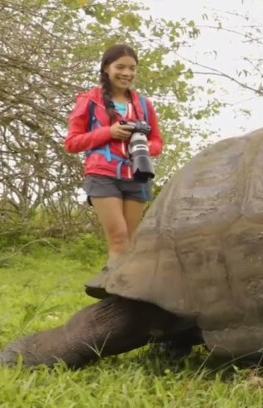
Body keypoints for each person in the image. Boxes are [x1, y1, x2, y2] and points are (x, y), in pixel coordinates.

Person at [64, 43, 163, 297]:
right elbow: (72, 142)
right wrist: (109, 132)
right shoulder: (89, 101)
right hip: (102, 174)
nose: (126, 73)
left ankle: (129, 293)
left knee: (132, 243)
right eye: (120, 67)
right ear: (107, 68)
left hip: (138, 174)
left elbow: (158, 143)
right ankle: (116, 297)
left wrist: (140, 146)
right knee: (118, 238)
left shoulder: (143, 104)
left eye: (132, 68)